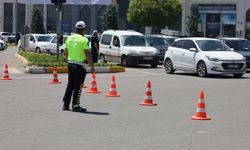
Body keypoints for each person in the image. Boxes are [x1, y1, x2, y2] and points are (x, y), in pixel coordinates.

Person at [63, 21, 95, 112]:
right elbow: (87, 54)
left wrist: (68, 61)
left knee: (70, 85)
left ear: (76, 28)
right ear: (84, 29)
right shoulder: (84, 40)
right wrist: (92, 65)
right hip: (80, 66)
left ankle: (66, 105)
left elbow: (65, 52)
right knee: (78, 86)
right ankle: (75, 105)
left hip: (70, 64)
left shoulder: (69, 38)